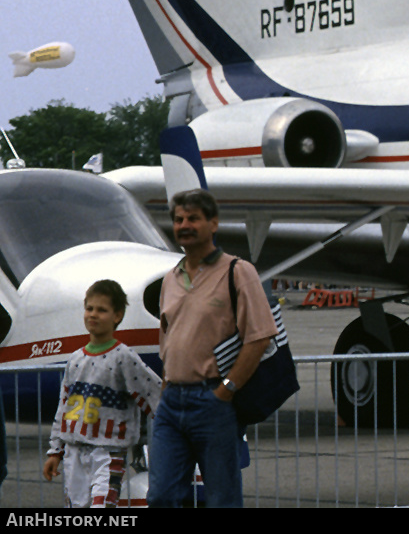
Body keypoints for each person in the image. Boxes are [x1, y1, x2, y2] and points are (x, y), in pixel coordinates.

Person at [148, 189, 277, 508]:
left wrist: (226, 390)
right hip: (172, 403)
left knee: (221, 499)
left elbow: (260, 337)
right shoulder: (170, 279)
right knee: (162, 496)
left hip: (213, 402)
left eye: (193, 218)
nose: (184, 225)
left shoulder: (238, 271)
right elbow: (169, 340)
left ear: (213, 223)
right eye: (178, 219)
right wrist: (166, 389)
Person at [42, 280, 161, 508]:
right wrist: (55, 451)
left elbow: (155, 396)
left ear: (117, 315)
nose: (93, 314)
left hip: (108, 453)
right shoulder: (75, 359)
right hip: (74, 453)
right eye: (90, 308)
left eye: (102, 310)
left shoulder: (124, 358)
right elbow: (63, 408)